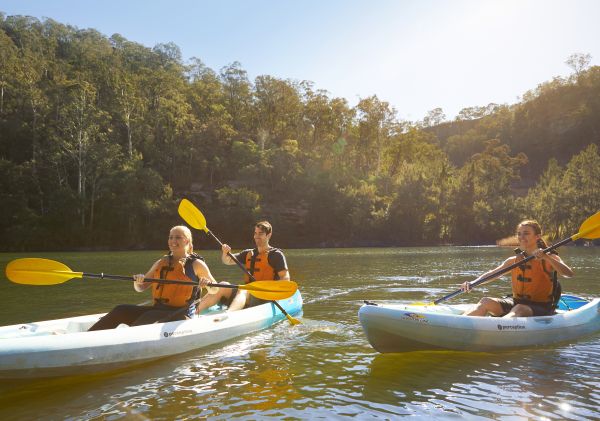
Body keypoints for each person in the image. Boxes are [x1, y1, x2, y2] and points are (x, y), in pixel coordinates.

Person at [89, 225, 218, 330]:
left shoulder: (196, 264)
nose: (173, 241)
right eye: (171, 237)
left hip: (181, 315)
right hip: (158, 310)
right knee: (120, 310)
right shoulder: (161, 262)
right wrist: (138, 281)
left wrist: (207, 284)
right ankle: (88, 338)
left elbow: (214, 290)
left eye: (178, 237)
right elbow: (141, 287)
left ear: (187, 241)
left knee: (149, 316)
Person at [461, 220, 574, 318]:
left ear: (537, 236)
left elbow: (568, 273)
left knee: (519, 309)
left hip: (541, 308)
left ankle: (500, 330)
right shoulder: (514, 260)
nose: (521, 237)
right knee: (485, 302)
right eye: (519, 234)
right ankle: (460, 323)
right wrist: (473, 283)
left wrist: (546, 257)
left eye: (526, 233)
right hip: (516, 304)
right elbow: (493, 274)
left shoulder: (549, 258)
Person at [194, 220, 290, 313]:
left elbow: (285, 278)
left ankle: (228, 315)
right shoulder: (249, 253)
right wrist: (225, 253)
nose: (257, 236)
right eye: (255, 233)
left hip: (265, 296)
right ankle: (194, 312)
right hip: (247, 294)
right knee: (223, 285)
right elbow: (227, 261)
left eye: (260, 234)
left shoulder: (276, 255)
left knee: (244, 289)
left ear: (268, 235)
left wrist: (272, 290)